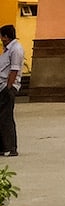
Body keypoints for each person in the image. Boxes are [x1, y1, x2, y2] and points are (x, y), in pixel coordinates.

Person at [0, 24, 25, 157]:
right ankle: (3, 146)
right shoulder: (7, 49)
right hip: (2, 86)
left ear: (6, 36)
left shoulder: (16, 49)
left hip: (7, 87)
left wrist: (8, 88)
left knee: (6, 118)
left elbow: (14, 70)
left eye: (2, 37)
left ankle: (11, 147)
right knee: (1, 117)